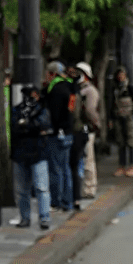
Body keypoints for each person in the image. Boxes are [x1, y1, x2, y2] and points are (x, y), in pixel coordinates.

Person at [10, 85, 53, 230]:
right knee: (22, 190)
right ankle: (25, 217)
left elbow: (43, 124)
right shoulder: (17, 110)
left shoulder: (42, 109)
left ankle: (44, 217)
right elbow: (15, 126)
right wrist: (30, 127)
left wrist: (26, 125)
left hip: (38, 152)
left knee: (41, 187)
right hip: (22, 153)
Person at [44, 61, 76, 212]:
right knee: (66, 168)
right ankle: (67, 201)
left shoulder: (55, 90)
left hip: (57, 134)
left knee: (55, 169)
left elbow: (54, 115)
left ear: (52, 74)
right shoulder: (70, 87)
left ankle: (56, 201)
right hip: (69, 132)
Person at [74, 62, 102, 200]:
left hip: (87, 129)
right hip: (80, 129)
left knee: (88, 159)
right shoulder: (79, 89)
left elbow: (91, 111)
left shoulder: (90, 90)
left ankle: (90, 188)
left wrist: (96, 124)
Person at [109, 66, 133, 177]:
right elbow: (111, 104)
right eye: (119, 75)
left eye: (122, 75)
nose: (120, 77)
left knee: (130, 141)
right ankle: (122, 166)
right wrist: (111, 118)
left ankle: (132, 166)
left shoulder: (129, 87)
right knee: (121, 142)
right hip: (118, 117)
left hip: (129, 117)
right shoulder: (115, 89)